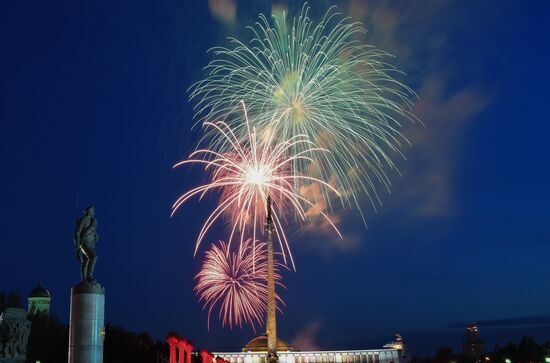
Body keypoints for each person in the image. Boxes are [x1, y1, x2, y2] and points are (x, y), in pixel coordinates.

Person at [73, 206, 99, 282]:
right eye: (92, 211)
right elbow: (77, 233)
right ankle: (89, 276)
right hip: (84, 243)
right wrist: (77, 247)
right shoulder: (83, 220)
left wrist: (96, 236)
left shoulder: (93, 221)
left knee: (85, 262)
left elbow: (93, 232)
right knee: (94, 257)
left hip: (91, 243)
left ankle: (84, 280)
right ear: (89, 212)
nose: (94, 212)